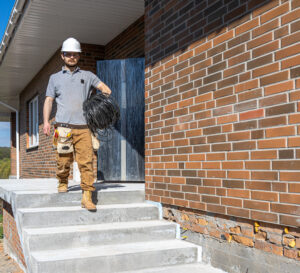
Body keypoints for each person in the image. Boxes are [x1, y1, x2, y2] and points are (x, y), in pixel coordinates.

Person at [43, 37, 111, 211]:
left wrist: (99, 101)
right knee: (63, 161)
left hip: (84, 127)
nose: (72, 57)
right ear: (62, 56)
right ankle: (63, 180)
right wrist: (46, 122)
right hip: (63, 127)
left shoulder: (88, 76)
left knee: (86, 162)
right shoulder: (54, 78)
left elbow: (106, 89)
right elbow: (49, 100)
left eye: (75, 54)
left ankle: (87, 196)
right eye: (68, 54)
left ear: (79, 56)